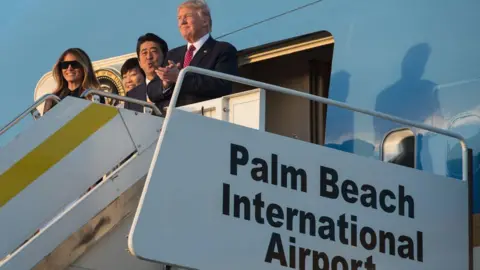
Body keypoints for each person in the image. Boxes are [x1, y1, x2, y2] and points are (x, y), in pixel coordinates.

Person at [151, 0, 239, 112]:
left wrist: (180, 78)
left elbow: (222, 85)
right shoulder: (173, 54)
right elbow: (151, 90)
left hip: (203, 118)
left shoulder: (222, 50)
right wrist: (165, 82)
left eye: (187, 16)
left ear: (205, 21)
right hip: (171, 121)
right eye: (179, 18)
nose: (182, 22)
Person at [43, 48, 103, 114]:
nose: (69, 68)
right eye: (65, 65)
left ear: (84, 67)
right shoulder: (53, 99)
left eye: (74, 64)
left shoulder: (94, 96)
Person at [124, 33, 168, 113]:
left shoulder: (173, 85)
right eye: (144, 53)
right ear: (139, 62)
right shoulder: (131, 97)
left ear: (164, 56)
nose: (149, 57)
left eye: (153, 51)